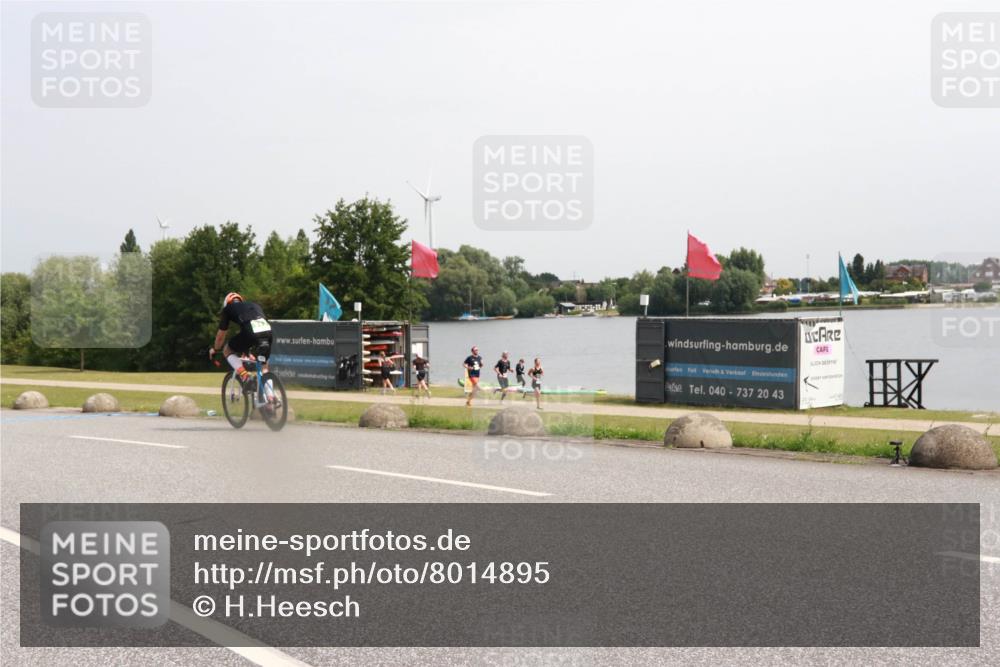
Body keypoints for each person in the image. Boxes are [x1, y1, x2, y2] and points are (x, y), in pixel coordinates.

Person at [209, 292, 273, 392]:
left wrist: (215, 349)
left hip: (251, 333)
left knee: (227, 350)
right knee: (264, 367)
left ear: (227, 303)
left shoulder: (228, 309)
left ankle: (245, 376)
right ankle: (271, 396)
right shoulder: (254, 305)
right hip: (268, 333)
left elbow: (220, 336)